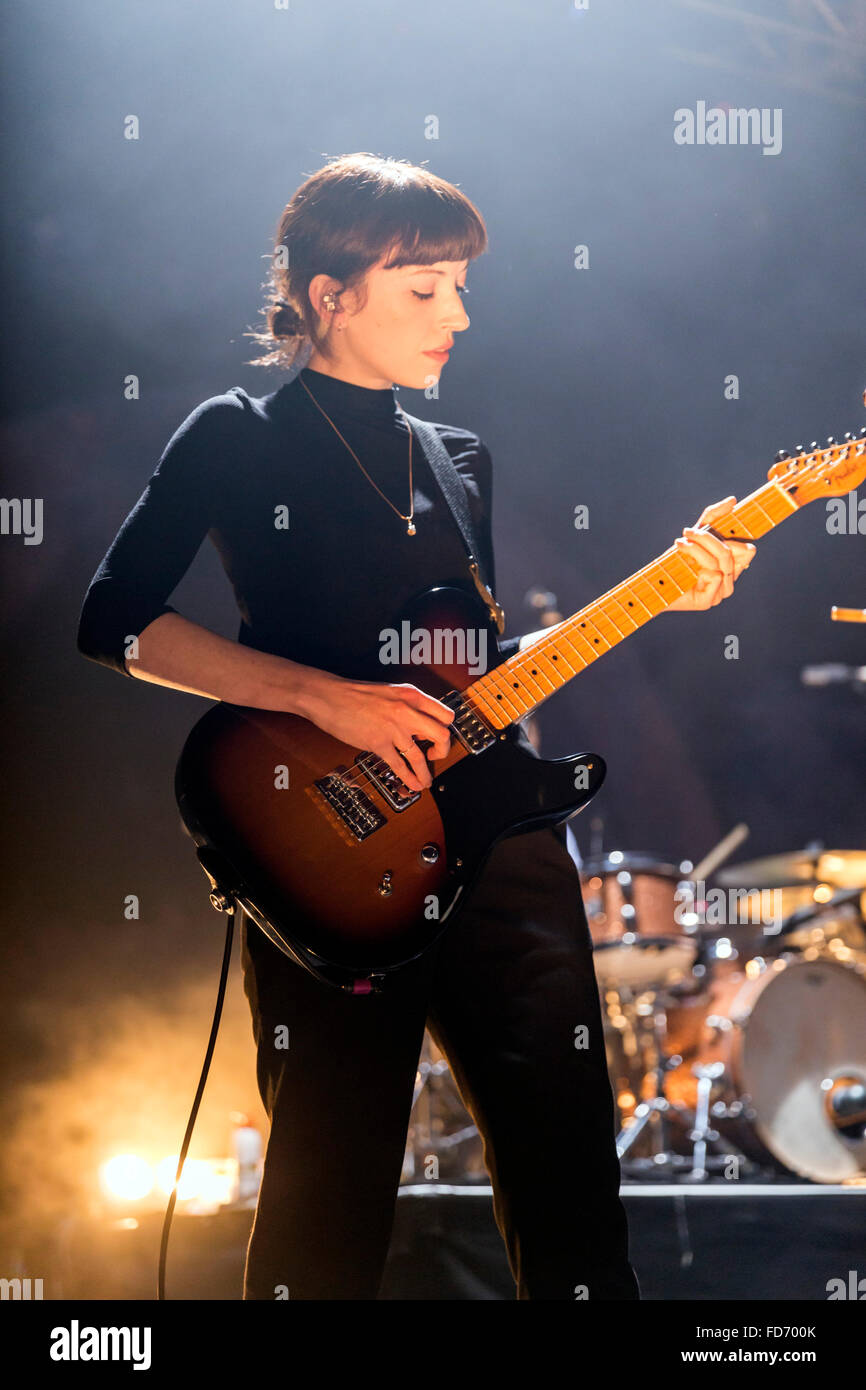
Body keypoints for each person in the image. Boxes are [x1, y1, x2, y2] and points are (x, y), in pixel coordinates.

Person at [76, 152, 755, 1300]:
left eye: (459, 286)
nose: (458, 314)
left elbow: (474, 683)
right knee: (327, 1194)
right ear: (325, 296)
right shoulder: (235, 435)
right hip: (329, 848)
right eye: (424, 288)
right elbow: (114, 620)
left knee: (570, 1185)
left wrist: (665, 587)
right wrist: (320, 695)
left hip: (502, 851)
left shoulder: (457, 460)